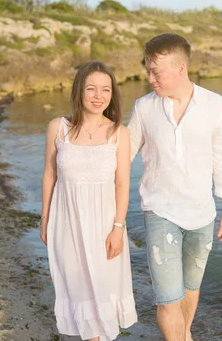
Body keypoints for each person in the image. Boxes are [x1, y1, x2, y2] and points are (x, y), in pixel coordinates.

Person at [128, 33, 222, 341]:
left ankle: (185, 335)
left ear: (180, 68)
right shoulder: (144, 108)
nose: (150, 78)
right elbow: (123, 154)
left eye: (156, 71)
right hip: (159, 210)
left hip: (203, 215)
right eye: (148, 70)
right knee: (167, 297)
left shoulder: (215, 105)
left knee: (190, 288)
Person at [40, 61, 138, 341]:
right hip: (67, 223)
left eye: (105, 90)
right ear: (79, 91)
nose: (98, 96)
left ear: (112, 94)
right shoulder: (58, 128)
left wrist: (118, 227)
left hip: (104, 226)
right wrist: (45, 218)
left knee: (102, 295)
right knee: (79, 292)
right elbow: (49, 174)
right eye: (91, 89)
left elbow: (122, 184)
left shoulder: (119, 132)